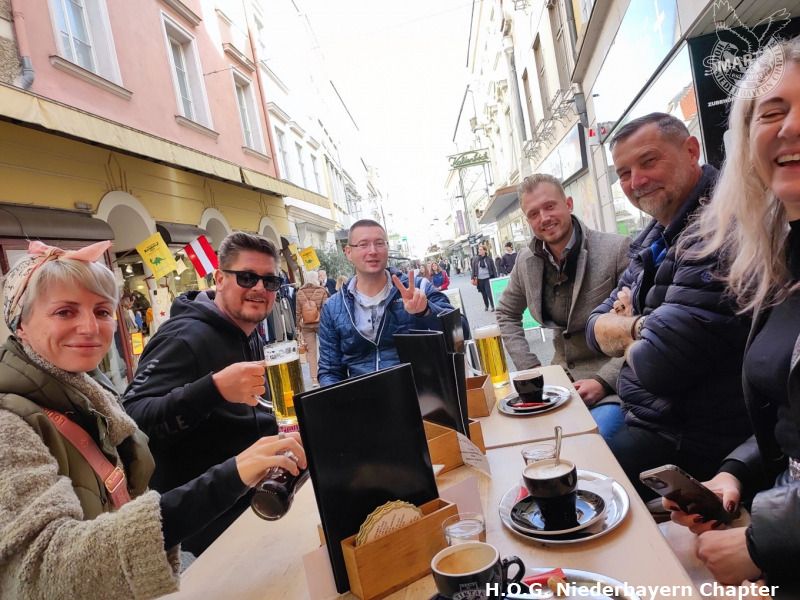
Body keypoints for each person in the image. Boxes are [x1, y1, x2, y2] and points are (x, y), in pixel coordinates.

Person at [0, 241, 306, 598]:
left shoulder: (86, 394)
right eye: (65, 312)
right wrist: (214, 398)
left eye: (102, 311)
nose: (89, 327)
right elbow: (43, 569)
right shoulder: (11, 425)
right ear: (20, 323)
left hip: (230, 516)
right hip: (209, 534)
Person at [664, 38, 800, 592]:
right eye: (772, 112)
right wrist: (734, 474)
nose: (791, 127)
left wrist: (762, 543)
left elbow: (657, 359)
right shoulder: (778, 257)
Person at [585, 112, 752, 500]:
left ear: (691, 151)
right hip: (650, 415)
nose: (636, 181)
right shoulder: (656, 234)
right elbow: (593, 326)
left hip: (694, 437)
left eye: (648, 161)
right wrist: (640, 328)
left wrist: (627, 324)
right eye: (624, 173)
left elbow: (661, 364)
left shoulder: (718, 227)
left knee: (582, 485)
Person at [123, 232, 284, 555]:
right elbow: (132, 419)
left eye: (269, 281)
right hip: (213, 524)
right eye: (247, 277)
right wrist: (214, 389)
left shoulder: (246, 330)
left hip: (252, 501)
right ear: (219, 279)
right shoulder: (184, 337)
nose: (259, 288)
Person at [496, 174, 630, 439]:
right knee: (526, 438)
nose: (544, 218)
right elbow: (506, 313)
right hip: (557, 384)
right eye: (534, 213)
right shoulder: (525, 261)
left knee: (592, 438)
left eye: (550, 206)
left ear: (568, 204)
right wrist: (532, 370)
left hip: (612, 383)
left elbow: (643, 325)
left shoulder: (615, 249)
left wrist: (604, 381)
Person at [318, 219, 455, 386]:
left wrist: (425, 311)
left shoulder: (417, 288)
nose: (373, 251)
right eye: (363, 244)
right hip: (362, 398)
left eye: (379, 243)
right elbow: (330, 371)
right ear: (348, 252)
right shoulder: (333, 307)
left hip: (419, 394)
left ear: (387, 248)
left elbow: (459, 332)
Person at [296, 270, 328, 387]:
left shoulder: (299, 292)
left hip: (306, 325)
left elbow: (298, 312)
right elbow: (326, 309)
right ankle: (326, 374)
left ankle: (314, 379)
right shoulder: (322, 291)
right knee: (325, 348)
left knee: (311, 352)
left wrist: (298, 327)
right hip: (320, 324)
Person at [471, 244, 497, 311]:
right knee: (484, 294)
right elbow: (473, 269)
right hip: (480, 279)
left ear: (485, 250)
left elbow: (493, 269)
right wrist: (472, 278)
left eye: (481, 250)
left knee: (489, 293)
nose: (479, 251)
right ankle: (486, 305)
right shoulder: (476, 259)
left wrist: (496, 278)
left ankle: (493, 306)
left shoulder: (489, 259)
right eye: (479, 250)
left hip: (487, 278)